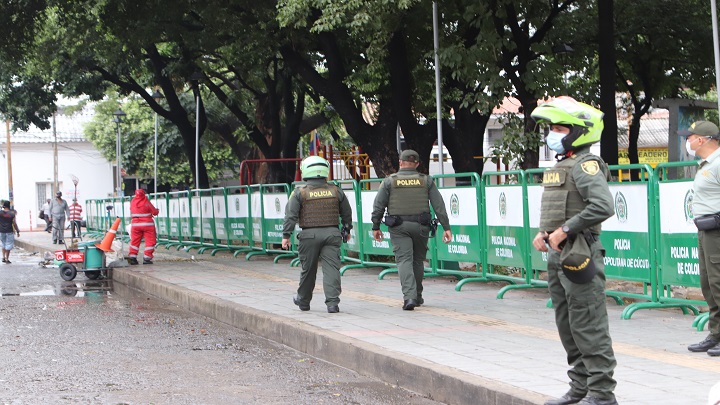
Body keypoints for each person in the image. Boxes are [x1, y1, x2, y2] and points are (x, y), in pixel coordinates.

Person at [530, 97, 617, 405]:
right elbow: (561, 209)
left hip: (580, 251)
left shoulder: (586, 164)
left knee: (588, 322)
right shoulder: (560, 167)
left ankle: (603, 393)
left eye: (558, 128)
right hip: (558, 253)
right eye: (550, 128)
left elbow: (603, 206)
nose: (551, 133)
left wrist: (564, 230)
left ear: (578, 132)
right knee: (567, 323)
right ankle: (579, 386)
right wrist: (544, 233)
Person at [370, 149, 452, 310]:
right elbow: (439, 205)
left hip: (399, 227)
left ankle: (409, 297)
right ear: (417, 164)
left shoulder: (389, 181)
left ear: (400, 162)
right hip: (421, 226)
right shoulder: (426, 180)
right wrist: (446, 227)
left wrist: (376, 226)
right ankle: (417, 295)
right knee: (417, 261)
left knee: (404, 260)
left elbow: (378, 206)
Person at [281, 155, 353, 313]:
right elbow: (347, 213)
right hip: (332, 234)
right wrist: (346, 230)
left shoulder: (300, 193)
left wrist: (286, 236)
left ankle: (304, 301)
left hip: (309, 236)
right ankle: (333, 303)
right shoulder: (335, 190)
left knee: (308, 269)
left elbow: (291, 216)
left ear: (305, 170)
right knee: (332, 268)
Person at [679, 121, 720, 357]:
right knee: (709, 284)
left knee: (718, 282)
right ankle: (716, 333)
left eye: (690, 137)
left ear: (702, 140)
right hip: (706, 229)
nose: (688, 141)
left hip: (717, 229)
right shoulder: (706, 164)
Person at [127, 189, 159, 265]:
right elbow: (154, 212)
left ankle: (132, 257)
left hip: (135, 225)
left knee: (135, 241)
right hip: (147, 225)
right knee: (150, 241)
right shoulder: (146, 201)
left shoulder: (133, 202)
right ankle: (147, 258)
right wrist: (157, 211)